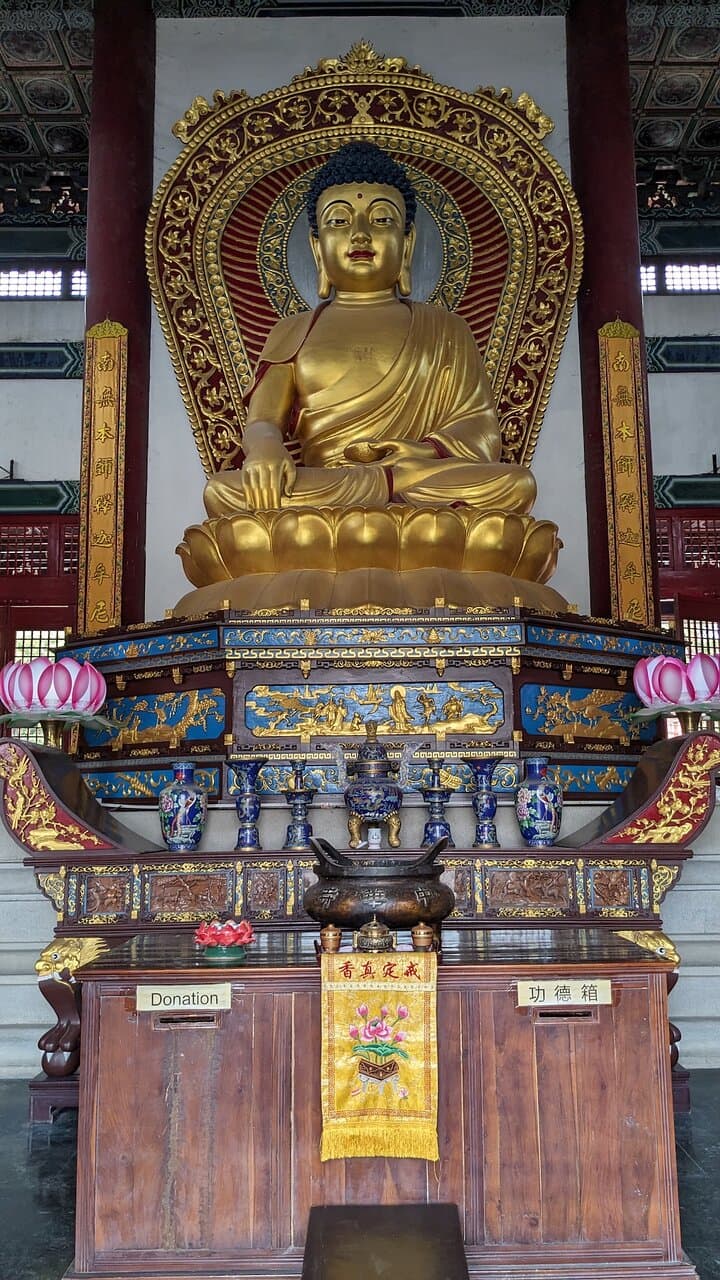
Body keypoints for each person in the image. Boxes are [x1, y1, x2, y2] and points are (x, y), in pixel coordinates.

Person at [203, 141, 537, 520]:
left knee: (515, 484)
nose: (360, 234)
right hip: (329, 484)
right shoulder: (293, 330)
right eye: (339, 222)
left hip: (415, 478)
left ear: (407, 245)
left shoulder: (447, 328)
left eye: (381, 220)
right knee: (224, 493)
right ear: (317, 248)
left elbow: (481, 429)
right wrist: (264, 447)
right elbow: (263, 420)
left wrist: (422, 454)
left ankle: (383, 499)